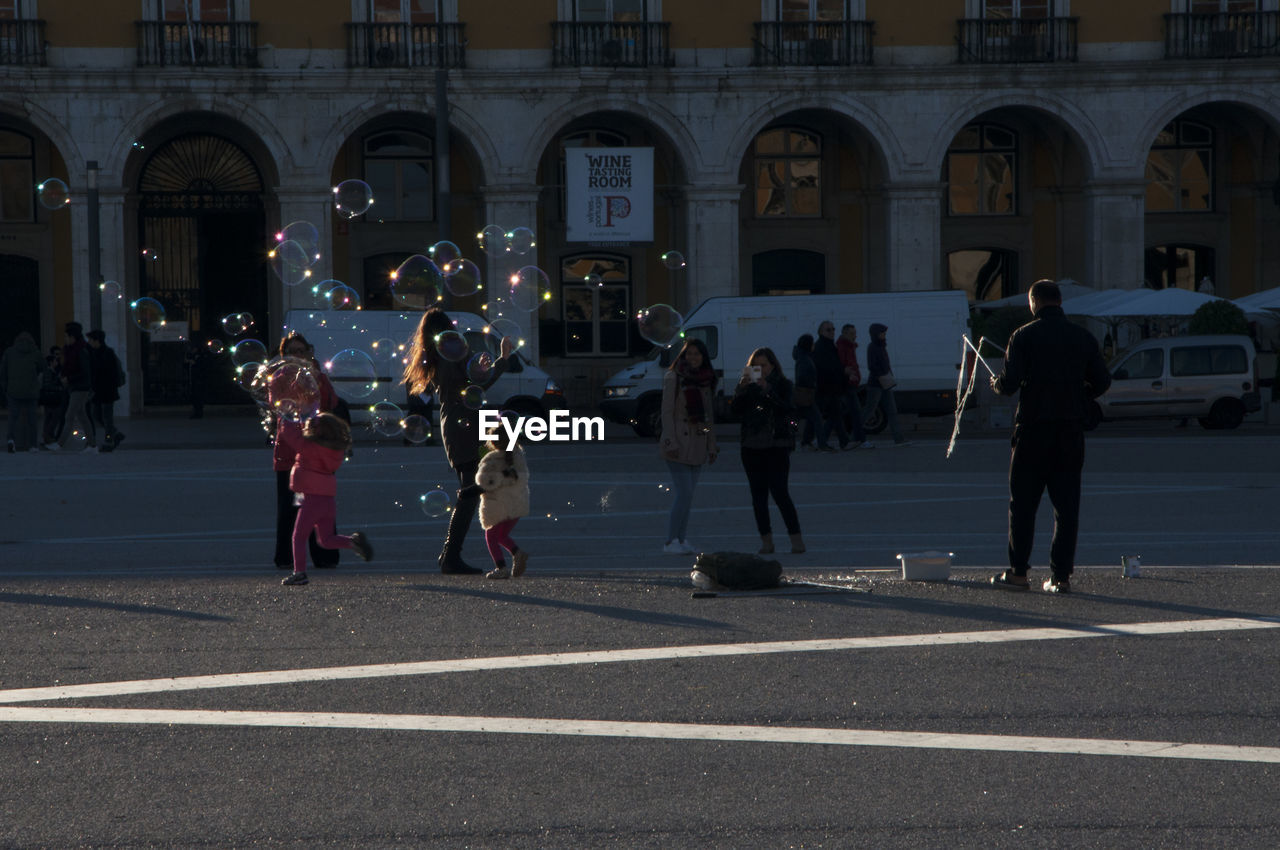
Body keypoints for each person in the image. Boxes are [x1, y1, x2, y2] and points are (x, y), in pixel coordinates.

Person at [989, 279, 1112, 594]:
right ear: (1059, 301)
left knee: (1023, 505)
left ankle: (1018, 573)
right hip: (1070, 431)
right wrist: (1079, 393)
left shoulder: (1023, 336)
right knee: (1067, 507)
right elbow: (1102, 380)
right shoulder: (1082, 337)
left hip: (1032, 429)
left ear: (1034, 301)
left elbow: (1010, 383)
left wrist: (996, 383)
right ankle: (1060, 577)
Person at [402, 307, 516, 574]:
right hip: (461, 427)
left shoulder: (437, 358)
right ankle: (451, 557)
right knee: (469, 493)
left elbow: (472, 385)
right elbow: (475, 385)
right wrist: (501, 360)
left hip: (458, 425)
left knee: (470, 492)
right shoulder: (449, 356)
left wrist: (488, 365)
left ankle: (449, 556)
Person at [272, 332, 343, 570]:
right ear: (284, 355)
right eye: (293, 351)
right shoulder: (280, 377)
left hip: (316, 452)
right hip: (290, 452)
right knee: (291, 507)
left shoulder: (317, 375)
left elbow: (330, 403)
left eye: (302, 350)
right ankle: (287, 557)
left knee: (320, 503)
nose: (298, 355)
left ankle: (325, 556)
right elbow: (282, 407)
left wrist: (317, 379)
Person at [278, 412, 373, 586]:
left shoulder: (309, 447)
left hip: (311, 500)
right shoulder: (334, 450)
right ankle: (353, 542)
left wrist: (286, 419)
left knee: (298, 537)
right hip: (327, 500)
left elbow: (291, 436)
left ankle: (299, 572)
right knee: (326, 540)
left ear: (316, 431)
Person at [730, 347, 805, 555]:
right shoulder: (747, 386)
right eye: (755, 366)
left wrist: (768, 389)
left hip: (777, 445)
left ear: (772, 365)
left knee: (780, 493)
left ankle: (796, 540)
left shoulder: (783, 384)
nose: (760, 370)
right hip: (752, 446)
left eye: (763, 365)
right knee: (758, 496)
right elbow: (734, 412)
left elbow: (788, 408)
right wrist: (742, 390)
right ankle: (767, 541)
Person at [658, 337, 718, 554]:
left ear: (703, 357)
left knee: (689, 494)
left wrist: (712, 445)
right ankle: (670, 540)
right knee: (684, 493)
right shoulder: (673, 377)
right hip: (678, 441)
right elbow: (667, 412)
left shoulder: (705, 380)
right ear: (683, 355)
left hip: (698, 442)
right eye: (689, 353)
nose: (693, 357)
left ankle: (681, 540)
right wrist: (670, 440)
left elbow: (708, 416)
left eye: (697, 354)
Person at [460, 438, 531, 580]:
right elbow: (519, 478)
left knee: (491, 537)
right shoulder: (518, 456)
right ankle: (517, 553)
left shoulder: (493, 459)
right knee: (501, 535)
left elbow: (487, 482)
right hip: (516, 504)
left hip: (498, 505)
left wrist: (467, 491)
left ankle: (501, 568)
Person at [861, 322, 910, 446]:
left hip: (884, 384)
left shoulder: (881, 346)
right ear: (876, 334)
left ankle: (898, 439)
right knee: (869, 410)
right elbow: (872, 366)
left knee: (892, 411)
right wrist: (884, 374)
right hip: (876, 384)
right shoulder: (873, 347)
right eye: (882, 333)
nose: (884, 335)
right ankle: (856, 436)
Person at [50, 322, 96, 452]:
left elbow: (84, 372)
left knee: (69, 415)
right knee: (82, 416)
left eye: (66, 336)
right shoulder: (71, 350)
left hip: (81, 388)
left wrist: (69, 378)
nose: (65, 339)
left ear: (72, 337)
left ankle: (60, 443)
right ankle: (92, 445)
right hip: (75, 387)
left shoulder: (81, 351)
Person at [1, 331, 45, 453]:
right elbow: (43, 368)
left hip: (13, 390)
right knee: (32, 420)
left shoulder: (9, 352)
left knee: (12, 418)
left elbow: (3, 372)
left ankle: (11, 440)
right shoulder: (35, 352)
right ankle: (33, 445)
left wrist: (5, 388)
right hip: (31, 391)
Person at [85, 329, 126, 452]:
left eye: (91, 340)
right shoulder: (92, 353)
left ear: (97, 341)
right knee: (96, 415)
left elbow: (109, 373)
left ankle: (109, 441)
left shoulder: (107, 353)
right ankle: (115, 433)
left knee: (107, 418)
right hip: (98, 391)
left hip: (107, 391)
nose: (89, 342)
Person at [812, 321, 851, 451]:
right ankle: (841, 442)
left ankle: (836, 441)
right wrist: (843, 371)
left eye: (833, 329)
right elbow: (826, 367)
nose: (832, 332)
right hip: (827, 387)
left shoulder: (829, 346)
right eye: (828, 330)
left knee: (835, 415)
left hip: (832, 386)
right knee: (834, 414)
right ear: (821, 332)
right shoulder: (821, 347)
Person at [836, 323, 869, 449]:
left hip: (850, 383)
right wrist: (848, 374)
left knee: (841, 413)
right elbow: (842, 364)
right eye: (852, 333)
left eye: (855, 333)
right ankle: (861, 439)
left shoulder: (849, 346)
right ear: (845, 334)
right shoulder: (843, 347)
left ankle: (821, 437)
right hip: (847, 384)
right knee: (855, 412)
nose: (855, 336)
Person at [792, 334, 823, 451]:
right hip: (806, 394)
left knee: (796, 419)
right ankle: (820, 444)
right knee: (817, 419)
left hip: (802, 394)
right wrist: (812, 384)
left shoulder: (801, 356)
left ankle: (795, 440)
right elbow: (802, 376)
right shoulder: (805, 359)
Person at [39, 346, 67, 447]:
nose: (57, 360)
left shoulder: (53, 371)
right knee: (52, 417)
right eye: (55, 359)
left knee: (50, 418)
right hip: (51, 398)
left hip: (51, 398)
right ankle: (47, 436)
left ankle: (48, 436)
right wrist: (59, 384)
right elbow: (48, 385)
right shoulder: (49, 372)